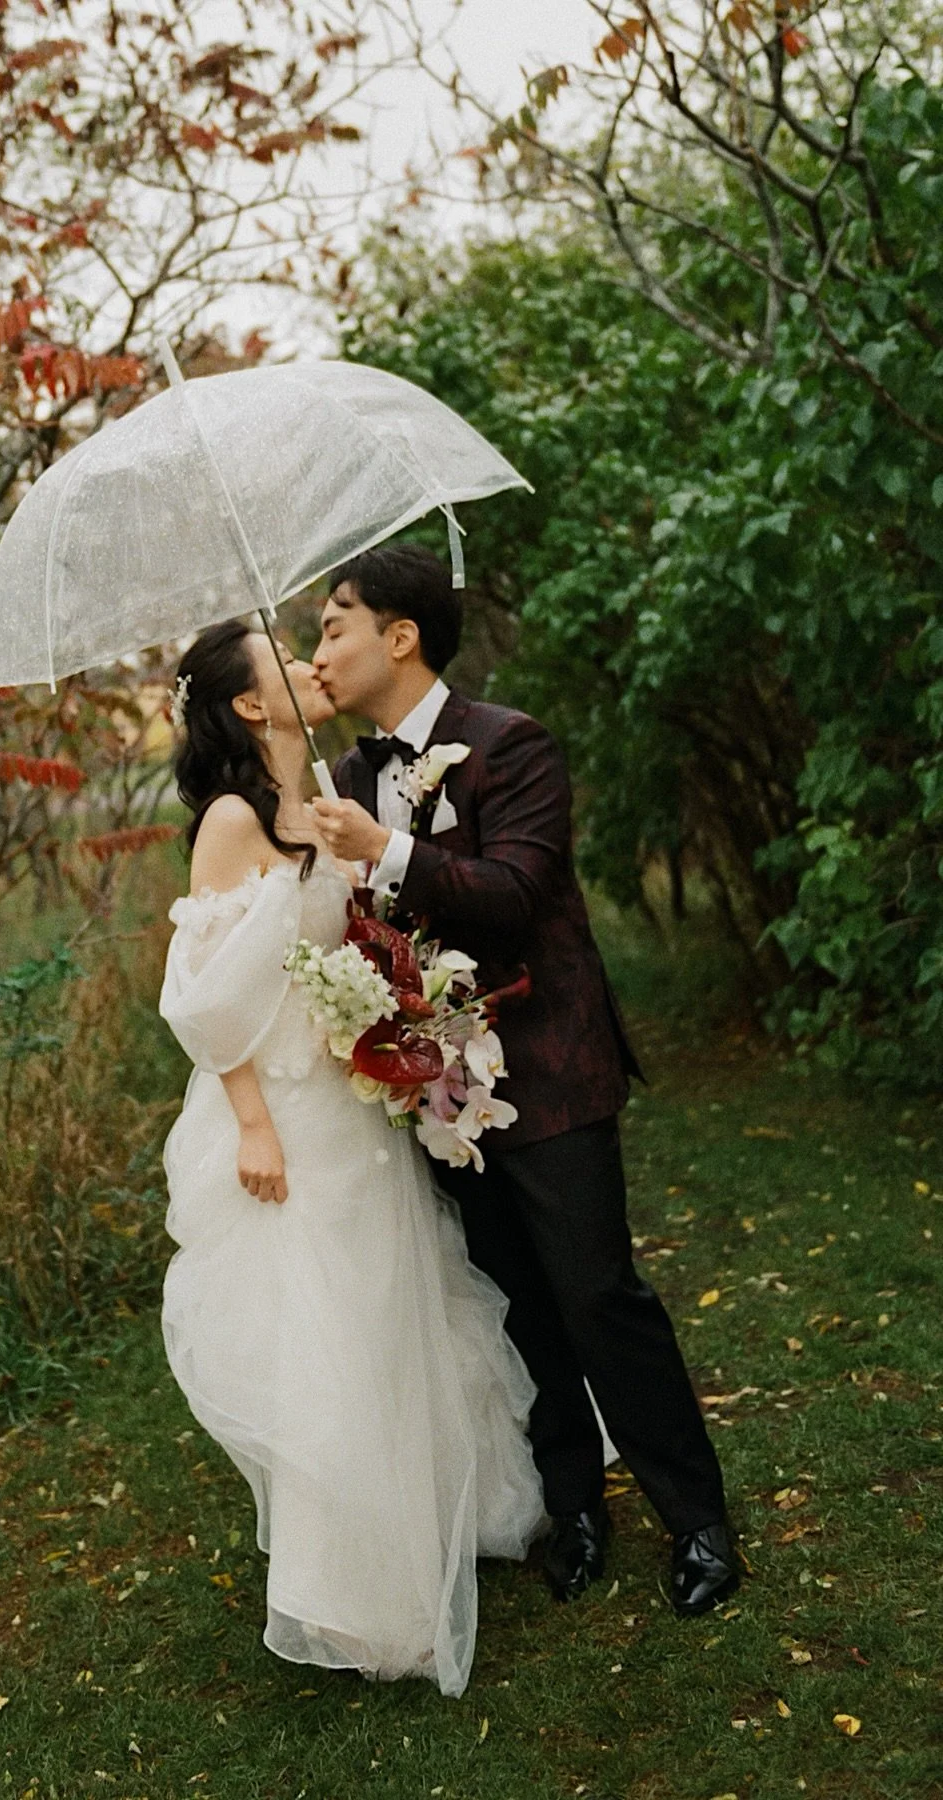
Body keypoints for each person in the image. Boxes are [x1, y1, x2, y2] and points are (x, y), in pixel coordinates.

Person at [308, 543, 740, 1617]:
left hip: (548, 1068)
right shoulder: (351, 780)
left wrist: (392, 854)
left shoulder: (510, 743)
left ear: (399, 636)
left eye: (333, 626)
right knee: (516, 1308)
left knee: (599, 1296)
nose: (321, 648)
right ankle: (574, 1506)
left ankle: (699, 1522)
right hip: (436, 1095)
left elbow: (516, 893)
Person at [158, 618, 546, 1696]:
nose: (306, 662)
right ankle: (362, 1599)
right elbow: (203, 998)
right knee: (328, 1340)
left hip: (355, 1092)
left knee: (393, 1308)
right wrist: (251, 1121)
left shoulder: (328, 786)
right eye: (283, 655)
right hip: (285, 1106)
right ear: (248, 705)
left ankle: (433, 1524)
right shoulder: (233, 821)